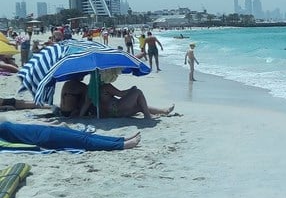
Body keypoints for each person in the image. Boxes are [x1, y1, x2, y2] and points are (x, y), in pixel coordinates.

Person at [0, 119, 140, 150]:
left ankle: (120, 139)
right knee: (83, 141)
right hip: (44, 138)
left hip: (45, 130)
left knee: (84, 136)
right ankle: (122, 145)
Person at [80, 79, 174, 119]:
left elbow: (86, 104)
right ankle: (148, 116)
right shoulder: (105, 86)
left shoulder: (90, 89)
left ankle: (163, 111)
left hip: (110, 114)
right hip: (117, 109)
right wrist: (131, 89)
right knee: (138, 92)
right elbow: (120, 94)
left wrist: (80, 116)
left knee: (140, 107)